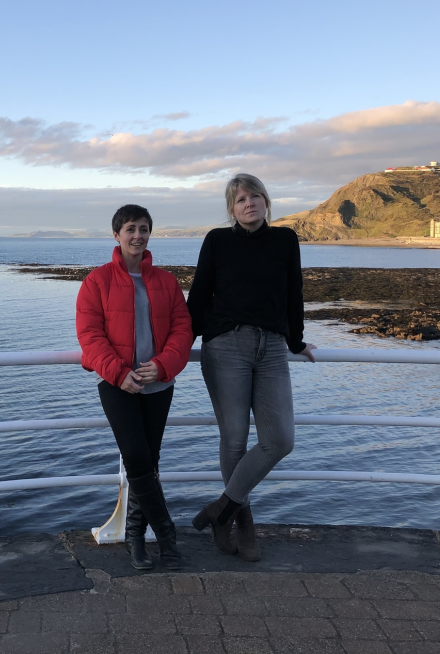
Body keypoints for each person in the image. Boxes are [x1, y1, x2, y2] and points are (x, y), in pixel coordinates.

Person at [187, 174, 316, 561]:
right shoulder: (217, 240)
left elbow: (294, 292)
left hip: (274, 347)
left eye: (255, 196)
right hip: (227, 346)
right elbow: (198, 296)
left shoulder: (285, 239)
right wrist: (177, 346)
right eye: (240, 199)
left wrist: (296, 341)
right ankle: (243, 523)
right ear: (232, 208)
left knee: (280, 440)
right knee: (235, 439)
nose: (249, 203)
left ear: (266, 201)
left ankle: (221, 510)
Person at [76, 204, 193, 570]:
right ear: (116, 235)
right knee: (138, 458)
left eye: (143, 228)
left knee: (149, 462)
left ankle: (136, 538)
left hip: (158, 386)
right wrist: (117, 372)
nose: (137, 235)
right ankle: (167, 537)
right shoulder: (97, 281)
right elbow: (90, 335)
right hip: (116, 386)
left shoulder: (166, 282)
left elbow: (182, 331)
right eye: (130, 229)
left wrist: (161, 367)